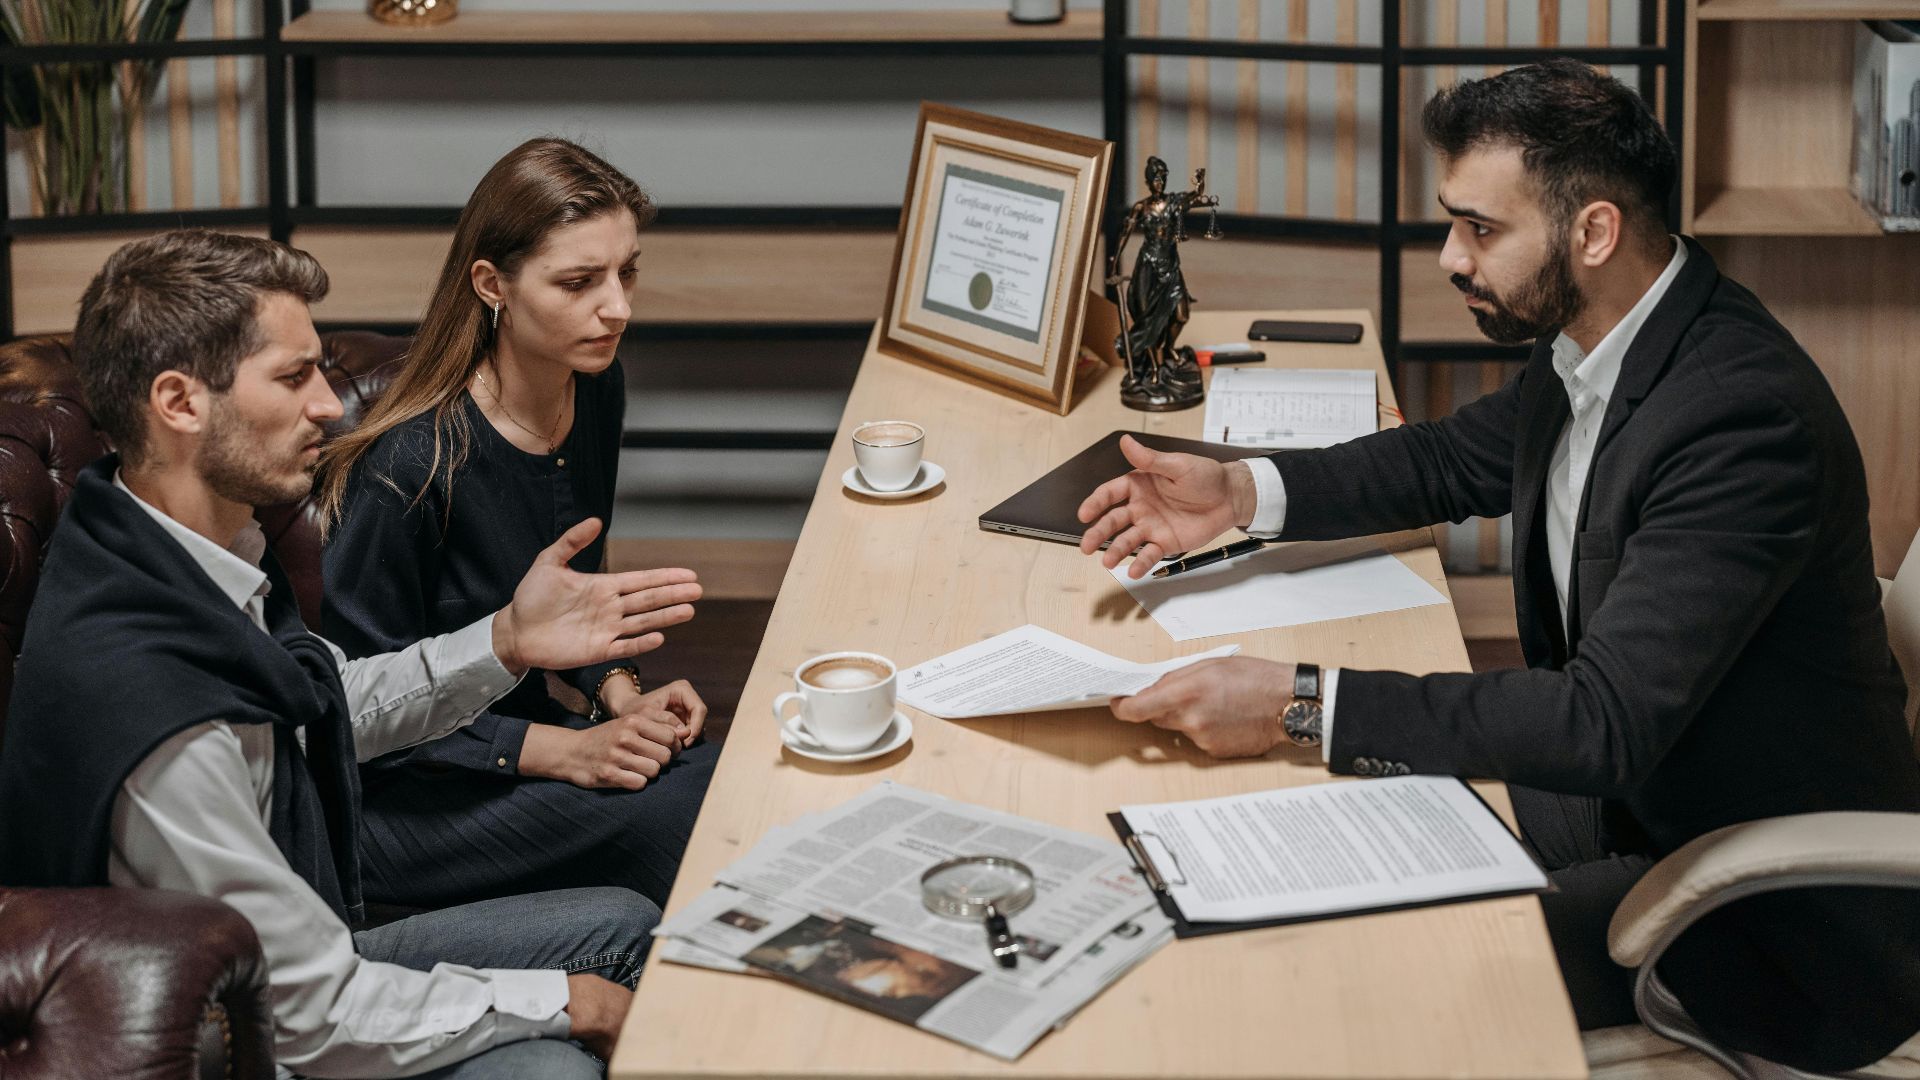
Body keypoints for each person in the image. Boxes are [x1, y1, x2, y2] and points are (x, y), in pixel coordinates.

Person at [1075, 59, 1920, 1071]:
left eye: (1481, 229)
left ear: (1593, 232)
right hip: (1642, 791)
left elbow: (1598, 721)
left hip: (1770, 918)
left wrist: (1295, 700)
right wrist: (1240, 493)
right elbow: (1447, 461)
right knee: (1297, 837)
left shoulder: (1740, 418)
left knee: (1355, 974)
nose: (1450, 256)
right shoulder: (1607, 338)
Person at [0, 230, 703, 1077]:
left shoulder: (158, 540)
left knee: (625, 925)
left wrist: (505, 641)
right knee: (552, 1061)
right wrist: (568, 1002)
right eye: (293, 377)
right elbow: (311, 1016)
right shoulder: (160, 724)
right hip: (233, 1035)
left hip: (300, 948)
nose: (330, 406)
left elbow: (319, 699)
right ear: (180, 403)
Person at [316, 138, 717, 911]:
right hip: (404, 803)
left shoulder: (594, 385)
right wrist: (567, 751)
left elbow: (572, 598)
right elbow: (357, 714)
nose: (619, 308)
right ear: (490, 284)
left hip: (526, 748)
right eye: (579, 282)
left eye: (626, 272)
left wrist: (622, 697)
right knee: (688, 815)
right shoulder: (409, 462)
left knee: (724, 777)